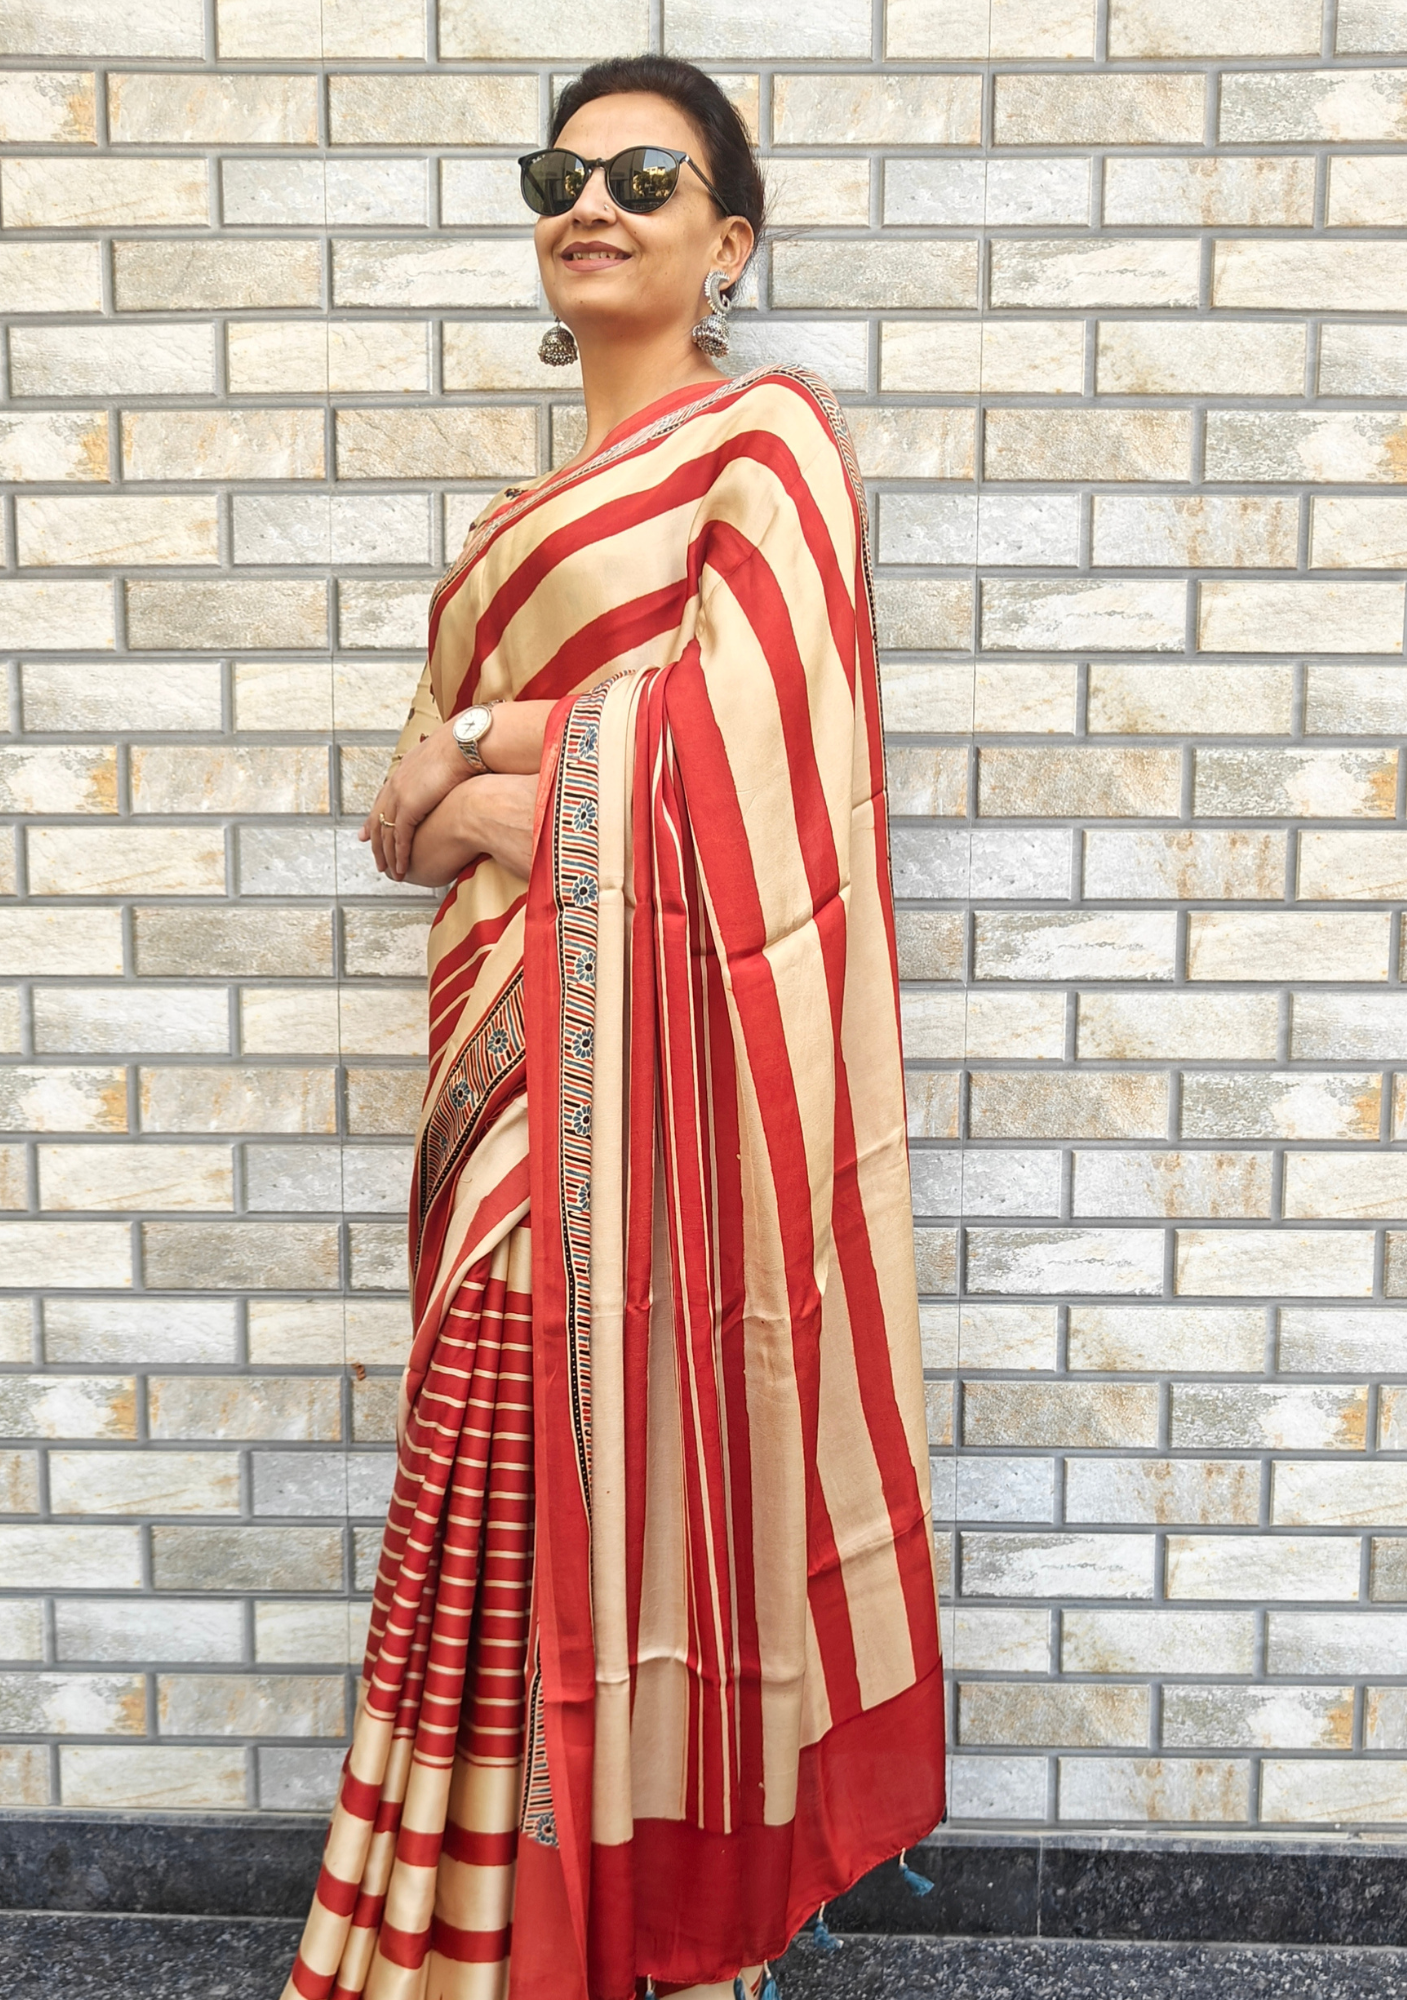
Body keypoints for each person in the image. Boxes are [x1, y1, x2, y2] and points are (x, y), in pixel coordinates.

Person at [281, 54, 944, 2000]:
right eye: (558, 175)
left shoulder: (770, 448)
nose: (591, 203)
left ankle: (640, 1944)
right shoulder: (517, 522)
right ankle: (461, 1946)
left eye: (645, 178)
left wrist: (495, 756)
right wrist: (490, 796)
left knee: (642, 1471)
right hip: (512, 1079)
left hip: (679, 1109)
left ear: (727, 240)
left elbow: (738, 748)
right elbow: (403, 820)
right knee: (490, 1460)